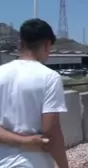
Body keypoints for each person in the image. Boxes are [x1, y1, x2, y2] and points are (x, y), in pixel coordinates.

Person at [0, 19, 69, 168]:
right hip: (33, 163)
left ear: (20, 43)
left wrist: (22, 142)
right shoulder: (49, 77)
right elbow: (51, 131)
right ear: (46, 45)